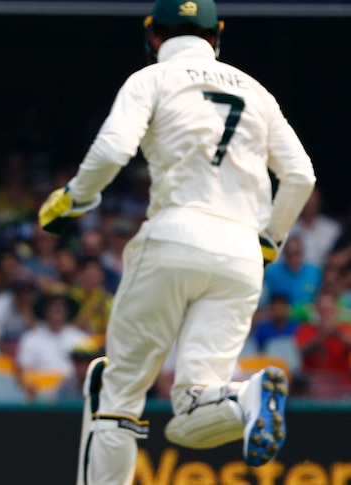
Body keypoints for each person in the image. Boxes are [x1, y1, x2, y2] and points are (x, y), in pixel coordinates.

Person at [37, 0, 316, 481]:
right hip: (241, 254)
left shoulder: (151, 79)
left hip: (174, 236)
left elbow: (113, 149)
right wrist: (270, 239)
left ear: (152, 36)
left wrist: (73, 199)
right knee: (191, 410)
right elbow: (300, 176)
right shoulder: (257, 92)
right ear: (217, 35)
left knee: (118, 393)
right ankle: (243, 396)